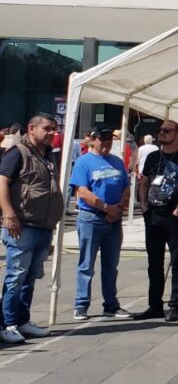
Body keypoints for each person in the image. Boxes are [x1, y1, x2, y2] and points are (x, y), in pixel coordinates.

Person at [0, 114, 62, 343]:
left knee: (30, 277)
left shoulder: (46, 154)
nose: (51, 133)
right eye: (46, 129)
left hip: (42, 225)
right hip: (22, 225)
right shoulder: (18, 152)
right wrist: (9, 214)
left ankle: (22, 320)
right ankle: (7, 323)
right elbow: (2, 182)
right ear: (32, 129)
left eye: (54, 129)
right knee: (15, 276)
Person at [136, 119, 178, 323]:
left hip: (175, 215)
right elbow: (144, 182)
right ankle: (154, 305)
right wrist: (144, 205)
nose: (162, 133)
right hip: (154, 214)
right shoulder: (153, 157)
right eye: (160, 130)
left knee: (177, 260)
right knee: (154, 262)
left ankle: (175, 305)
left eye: (167, 130)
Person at [69, 127, 132, 321]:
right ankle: (81, 304)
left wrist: (119, 207)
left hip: (114, 220)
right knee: (86, 264)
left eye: (109, 140)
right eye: (102, 140)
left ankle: (111, 304)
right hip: (92, 218)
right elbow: (83, 192)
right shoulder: (83, 162)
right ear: (93, 140)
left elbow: (126, 187)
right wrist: (106, 208)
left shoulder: (117, 161)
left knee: (111, 265)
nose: (106, 143)